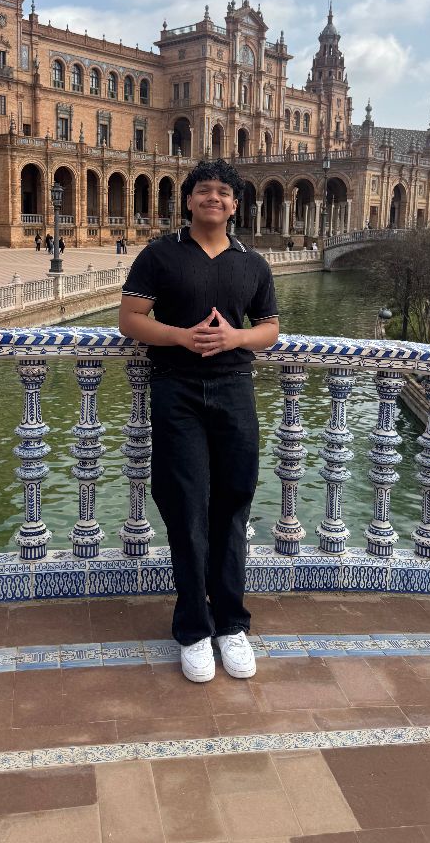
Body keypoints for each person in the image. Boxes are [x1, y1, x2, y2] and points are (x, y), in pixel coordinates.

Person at [119, 158, 279, 685]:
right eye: (204, 190)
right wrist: (184, 337)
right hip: (177, 390)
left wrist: (234, 338)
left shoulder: (251, 263)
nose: (214, 198)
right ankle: (192, 628)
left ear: (235, 205)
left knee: (233, 503)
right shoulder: (160, 254)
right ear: (188, 200)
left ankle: (231, 623)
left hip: (235, 389)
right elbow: (131, 320)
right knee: (186, 507)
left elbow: (270, 328)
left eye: (224, 192)